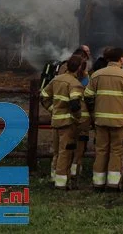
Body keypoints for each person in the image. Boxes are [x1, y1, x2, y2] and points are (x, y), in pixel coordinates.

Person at [84, 46, 123, 192]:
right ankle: (113, 184)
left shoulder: (96, 75)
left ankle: (98, 184)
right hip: (120, 121)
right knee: (117, 152)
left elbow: (88, 96)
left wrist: (94, 112)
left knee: (101, 151)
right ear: (121, 58)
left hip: (100, 120)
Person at [40, 53, 89, 190]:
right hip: (67, 124)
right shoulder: (75, 84)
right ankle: (61, 184)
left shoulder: (57, 79)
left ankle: (54, 177)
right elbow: (75, 104)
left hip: (56, 121)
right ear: (79, 68)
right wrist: (77, 118)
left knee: (57, 151)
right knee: (65, 152)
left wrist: (53, 110)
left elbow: (44, 97)